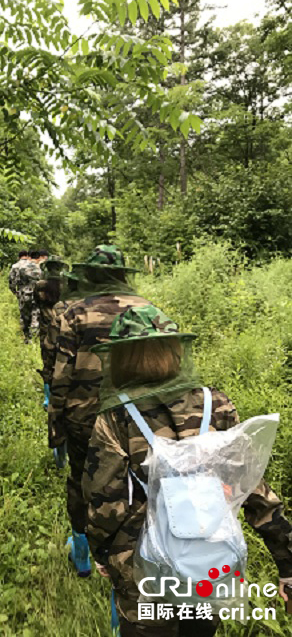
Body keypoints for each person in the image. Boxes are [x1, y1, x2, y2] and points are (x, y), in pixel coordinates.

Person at [82, 304, 292, 636]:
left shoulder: (116, 417)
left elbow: (105, 499)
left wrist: (103, 551)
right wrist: (286, 562)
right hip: (209, 556)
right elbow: (252, 487)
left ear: (119, 358)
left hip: (142, 565)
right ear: (174, 350)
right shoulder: (215, 403)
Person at [48, 244, 151, 576]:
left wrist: (56, 419)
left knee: (81, 481)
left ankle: (82, 553)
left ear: (90, 274)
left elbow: (61, 373)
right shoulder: (149, 310)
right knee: (135, 487)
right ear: (122, 274)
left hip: (84, 417)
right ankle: (128, 561)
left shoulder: (75, 312)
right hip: (139, 418)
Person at [33, 255, 68, 408]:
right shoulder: (67, 285)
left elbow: (35, 302)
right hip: (64, 325)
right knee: (65, 357)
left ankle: (48, 398)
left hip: (46, 327)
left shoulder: (40, 285)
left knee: (47, 360)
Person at [16, 250, 42, 343]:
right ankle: (34, 338)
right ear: (38, 258)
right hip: (36, 294)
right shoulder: (40, 269)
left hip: (24, 294)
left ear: (30, 257)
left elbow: (17, 281)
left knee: (25, 316)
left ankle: (26, 337)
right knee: (35, 315)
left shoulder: (22, 268)